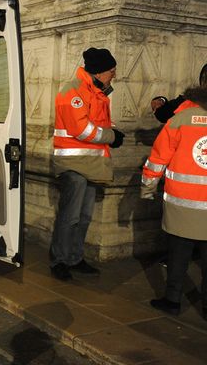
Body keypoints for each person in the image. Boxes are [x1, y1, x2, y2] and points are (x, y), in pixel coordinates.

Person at [50, 47, 125, 281]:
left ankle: (74, 257)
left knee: (83, 217)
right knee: (70, 216)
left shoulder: (96, 92)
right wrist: (112, 136)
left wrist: (109, 136)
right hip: (73, 165)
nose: (114, 74)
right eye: (112, 70)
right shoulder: (73, 91)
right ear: (100, 72)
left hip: (91, 164)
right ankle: (59, 261)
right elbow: (81, 129)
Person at [141, 85, 207, 319]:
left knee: (178, 255)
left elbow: (158, 158)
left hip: (182, 203)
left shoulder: (179, 120)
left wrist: (147, 189)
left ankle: (172, 300)